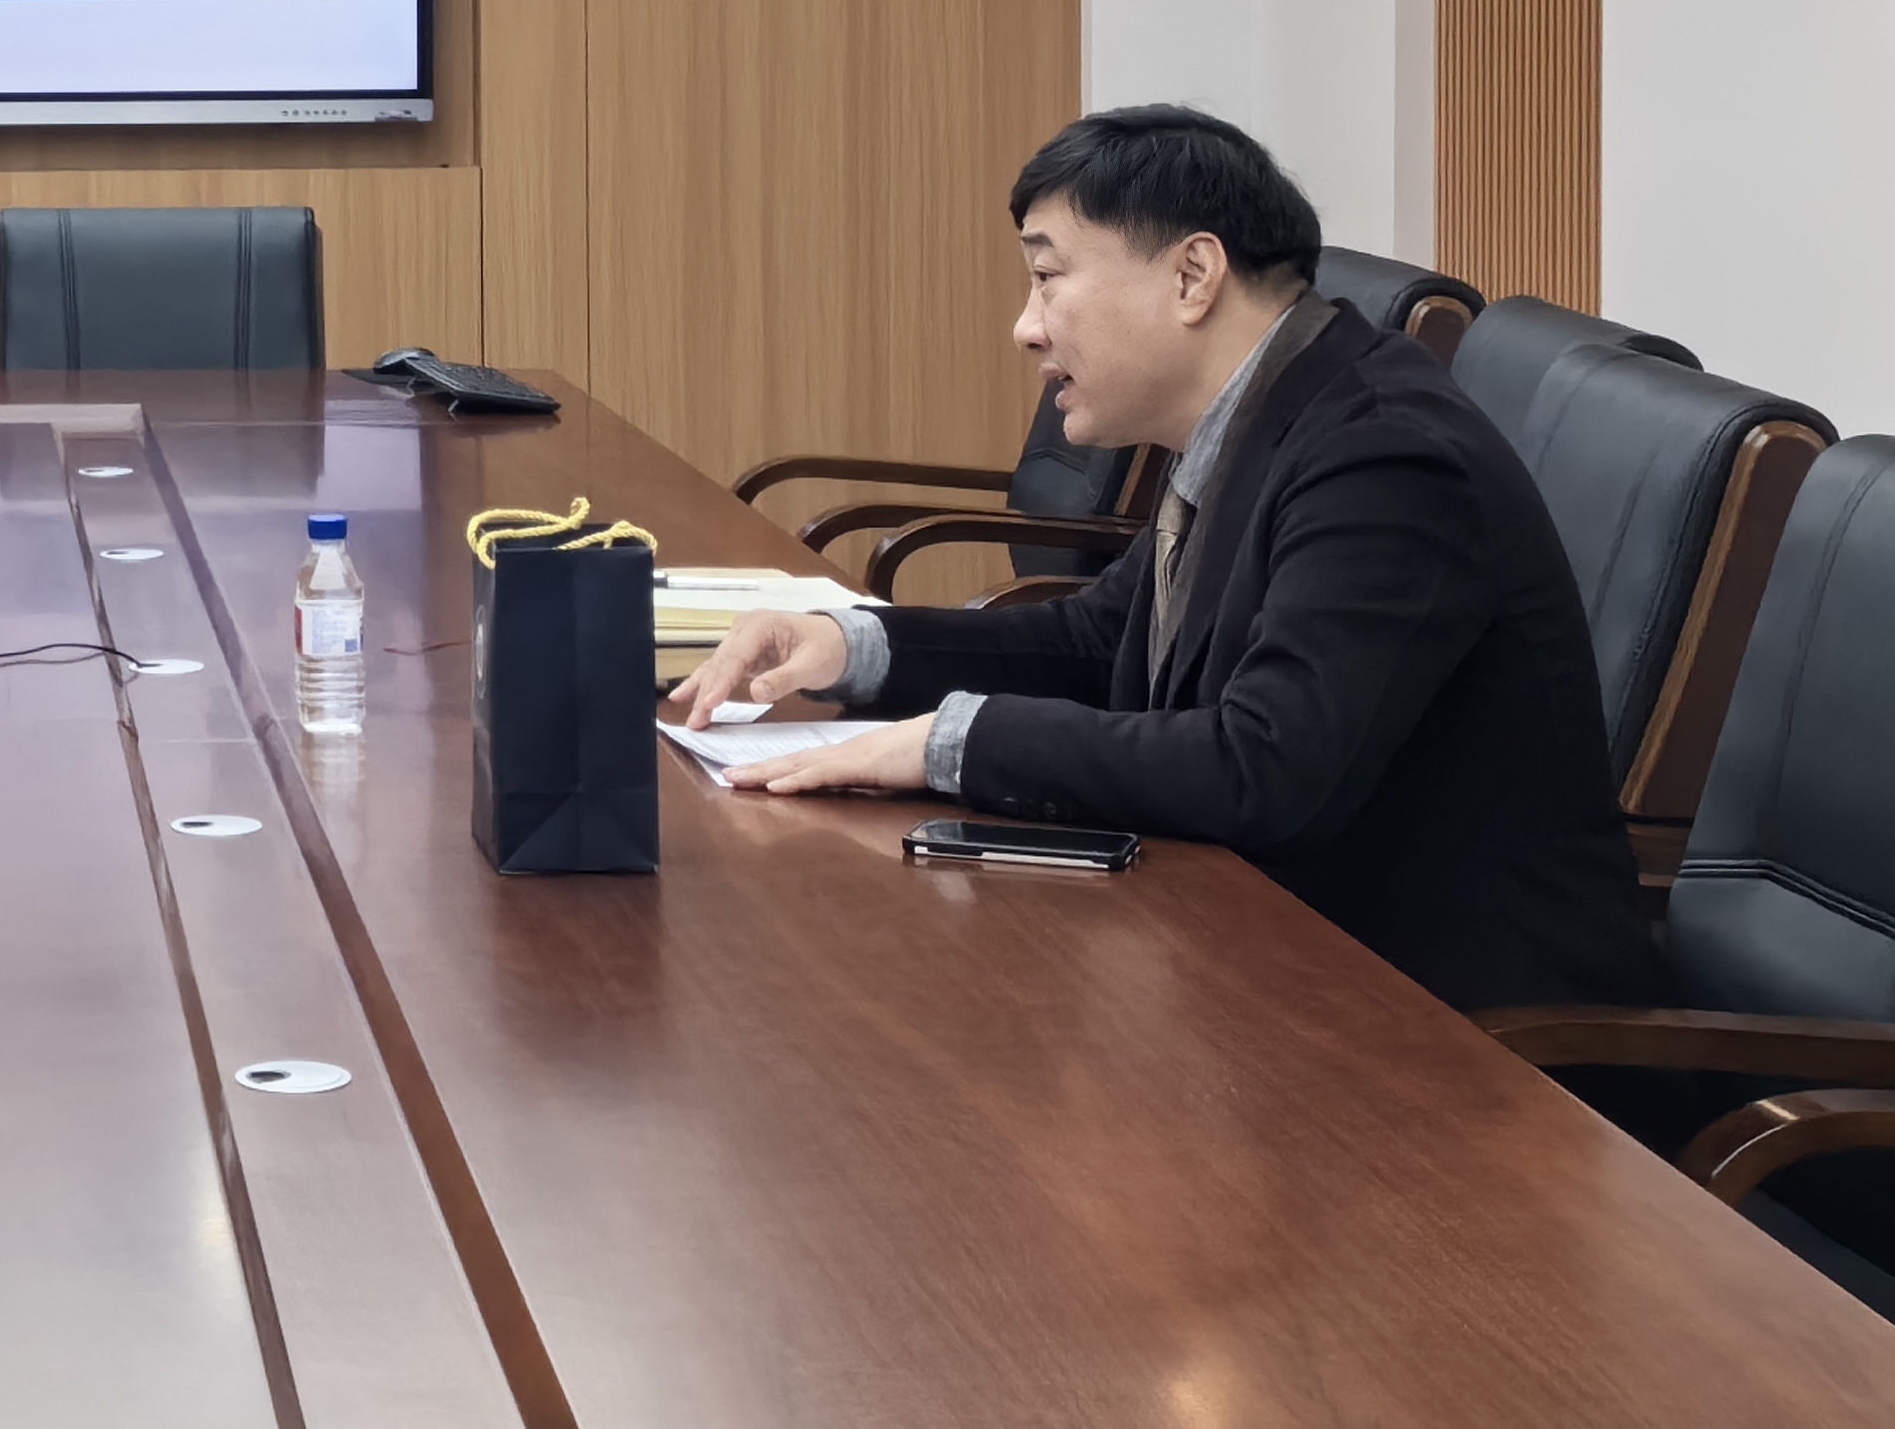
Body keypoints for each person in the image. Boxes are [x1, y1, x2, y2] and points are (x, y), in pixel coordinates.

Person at [668, 104, 1660, 1013]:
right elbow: (1102, 639)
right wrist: (852, 647)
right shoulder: (1272, 407)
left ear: (1192, 276)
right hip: (1283, 959)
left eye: (1047, 276)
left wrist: (946, 741)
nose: (1025, 326)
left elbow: (1263, 766)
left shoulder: (1385, 457)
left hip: (1464, 1035)